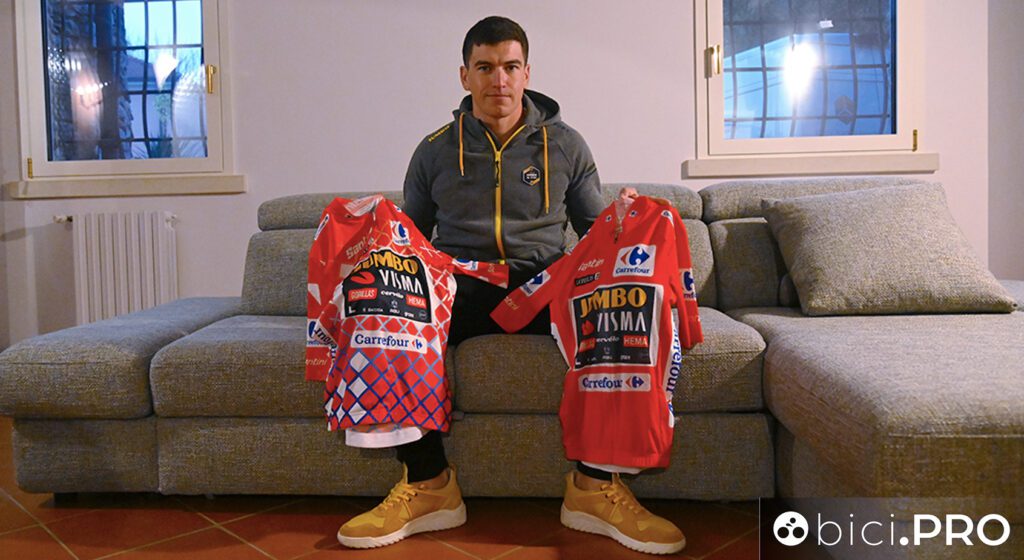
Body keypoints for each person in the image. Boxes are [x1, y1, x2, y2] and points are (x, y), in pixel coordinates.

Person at [336, 16, 686, 554]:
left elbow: (595, 231)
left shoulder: (566, 145)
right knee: (386, 305)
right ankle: (428, 485)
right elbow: (411, 238)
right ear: (464, 76)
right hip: (460, 284)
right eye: (485, 67)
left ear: (527, 73)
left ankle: (593, 489)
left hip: (543, 284)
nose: (498, 79)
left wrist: (625, 218)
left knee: (622, 308)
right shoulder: (434, 150)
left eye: (509, 66)